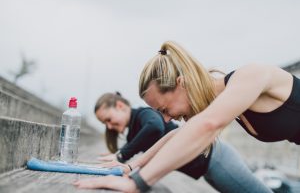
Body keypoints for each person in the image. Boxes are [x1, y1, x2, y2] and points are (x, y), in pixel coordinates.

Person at [74, 40, 300, 192]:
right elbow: (178, 136)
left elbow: (207, 125)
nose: (164, 119)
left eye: (163, 109)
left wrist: (137, 184)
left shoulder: (252, 76)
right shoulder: (222, 99)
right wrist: (133, 167)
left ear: (181, 84)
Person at [74, 92, 271, 192]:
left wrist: (122, 155)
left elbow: (156, 128)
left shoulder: (144, 115)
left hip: (217, 160)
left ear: (120, 106)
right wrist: (127, 169)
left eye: (108, 119)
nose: (108, 126)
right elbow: (158, 153)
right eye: (104, 123)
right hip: (208, 169)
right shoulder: (135, 131)